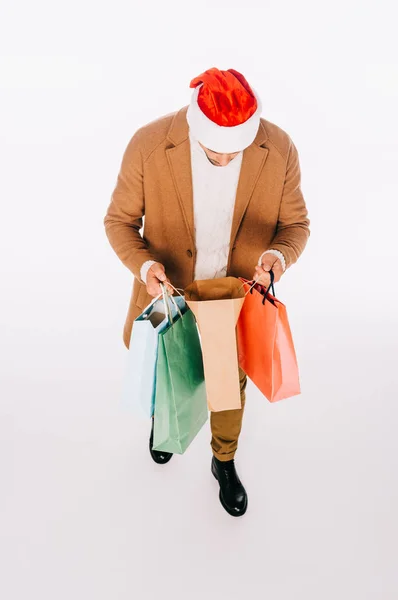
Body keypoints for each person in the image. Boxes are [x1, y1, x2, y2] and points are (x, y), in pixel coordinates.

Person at [104, 67, 310, 517]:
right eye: (214, 152)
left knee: (227, 389)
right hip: (167, 294)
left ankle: (224, 460)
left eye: (234, 153)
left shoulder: (279, 148)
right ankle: (166, 427)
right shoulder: (148, 143)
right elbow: (118, 223)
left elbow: (295, 226)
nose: (225, 161)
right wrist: (144, 266)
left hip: (233, 297)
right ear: (198, 129)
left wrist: (279, 255)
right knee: (169, 373)